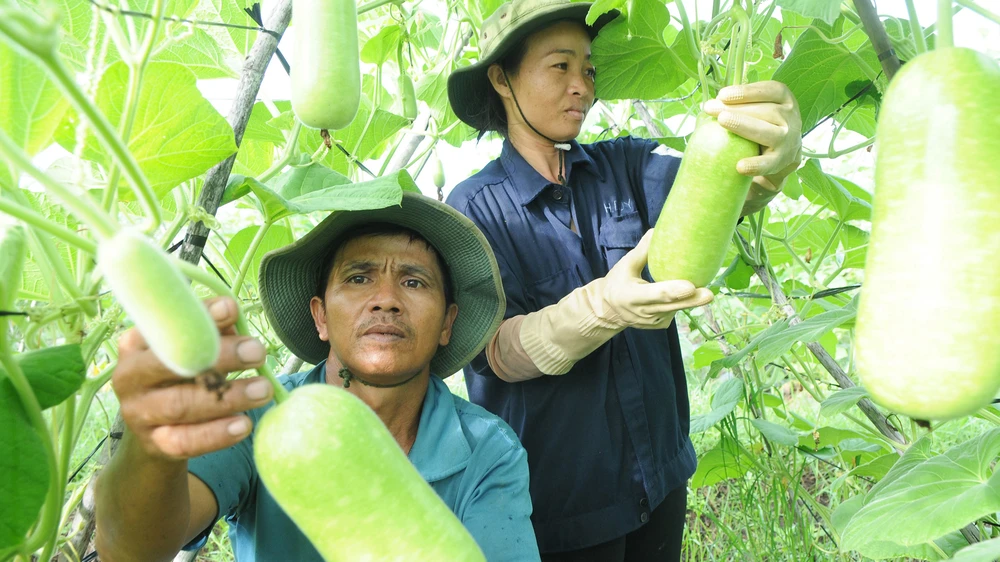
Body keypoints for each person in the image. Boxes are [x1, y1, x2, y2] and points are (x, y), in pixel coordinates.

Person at [444, 0, 803, 559]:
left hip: (659, 477)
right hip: (562, 506)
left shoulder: (628, 163)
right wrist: (601, 308)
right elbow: (497, 353)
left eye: (588, 69)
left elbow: (715, 190)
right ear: (501, 79)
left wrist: (770, 161)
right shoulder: (471, 207)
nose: (581, 87)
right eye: (559, 67)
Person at [94, 193, 541, 561]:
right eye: (359, 277)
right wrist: (152, 446)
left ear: (447, 323)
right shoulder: (255, 415)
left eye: (413, 282)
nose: (385, 300)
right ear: (320, 316)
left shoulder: (489, 450)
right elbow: (130, 552)